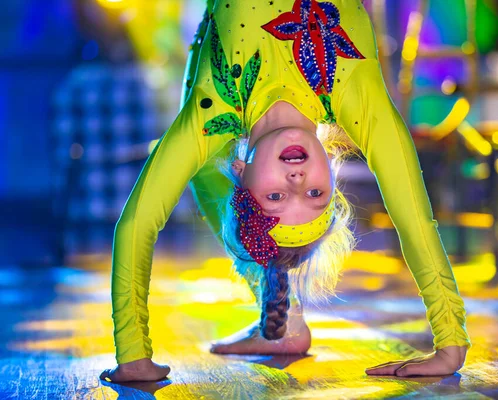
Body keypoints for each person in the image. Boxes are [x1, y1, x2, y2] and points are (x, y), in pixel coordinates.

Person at [100, 0, 471, 383]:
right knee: (205, 168)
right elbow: (414, 219)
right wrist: (450, 342)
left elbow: (136, 226)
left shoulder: (211, 113)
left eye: (276, 197)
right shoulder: (358, 100)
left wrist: (132, 352)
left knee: (204, 171)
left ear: (242, 176)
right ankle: (284, 321)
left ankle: (279, 318)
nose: (297, 182)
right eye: (315, 195)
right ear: (331, 174)